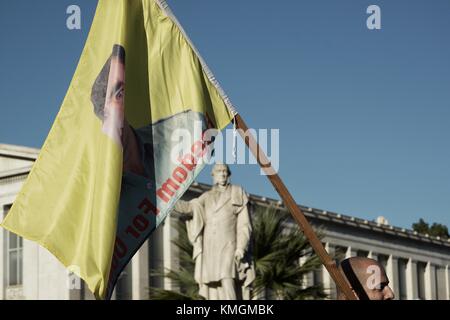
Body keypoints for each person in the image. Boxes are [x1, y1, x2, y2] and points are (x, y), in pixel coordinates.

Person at [174, 163, 255, 300]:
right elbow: (188, 208)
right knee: (213, 285)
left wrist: (241, 247)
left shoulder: (237, 191)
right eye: (219, 171)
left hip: (229, 243)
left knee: (226, 276)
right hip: (210, 246)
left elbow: (244, 224)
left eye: (225, 171)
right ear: (213, 175)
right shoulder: (206, 196)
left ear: (228, 175)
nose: (222, 174)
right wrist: (168, 200)